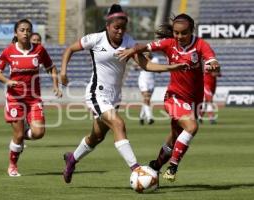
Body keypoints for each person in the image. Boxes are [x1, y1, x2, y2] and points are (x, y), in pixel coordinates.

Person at [60, 4, 188, 184]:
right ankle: (137, 170)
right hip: (97, 93)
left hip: (114, 97)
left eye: (123, 28)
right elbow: (69, 49)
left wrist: (170, 67)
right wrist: (63, 72)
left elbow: (145, 65)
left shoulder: (129, 42)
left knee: (96, 137)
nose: (120, 31)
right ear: (108, 26)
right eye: (116, 28)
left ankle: (72, 159)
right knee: (118, 124)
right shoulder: (96, 39)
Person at [117, 13, 221, 182]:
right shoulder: (169, 43)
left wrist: (212, 64)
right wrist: (132, 50)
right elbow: (145, 47)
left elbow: (211, 59)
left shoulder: (201, 44)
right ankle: (173, 167)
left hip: (194, 100)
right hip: (174, 97)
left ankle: (155, 167)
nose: (179, 36)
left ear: (192, 31)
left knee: (174, 139)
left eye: (183, 33)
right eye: (176, 32)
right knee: (192, 127)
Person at [0, 19, 62, 177]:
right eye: (22, 30)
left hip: (33, 99)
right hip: (15, 98)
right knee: (18, 136)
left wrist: (55, 85)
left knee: (39, 133)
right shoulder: (8, 51)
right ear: (16, 33)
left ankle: (19, 136)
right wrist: (7, 81)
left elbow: (51, 67)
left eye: (28, 30)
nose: (25, 33)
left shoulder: (39, 50)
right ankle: (12, 165)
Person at [138, 54, 159, 125]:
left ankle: (141, 117)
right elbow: (136, 66)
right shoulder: (141, 57)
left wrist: (146, 60)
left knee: (147, 100)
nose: (147, 52)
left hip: (151, 81)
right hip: (143, 80)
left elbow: (155, 67)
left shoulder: (155, 59)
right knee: (146, 99)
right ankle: (149, 118)